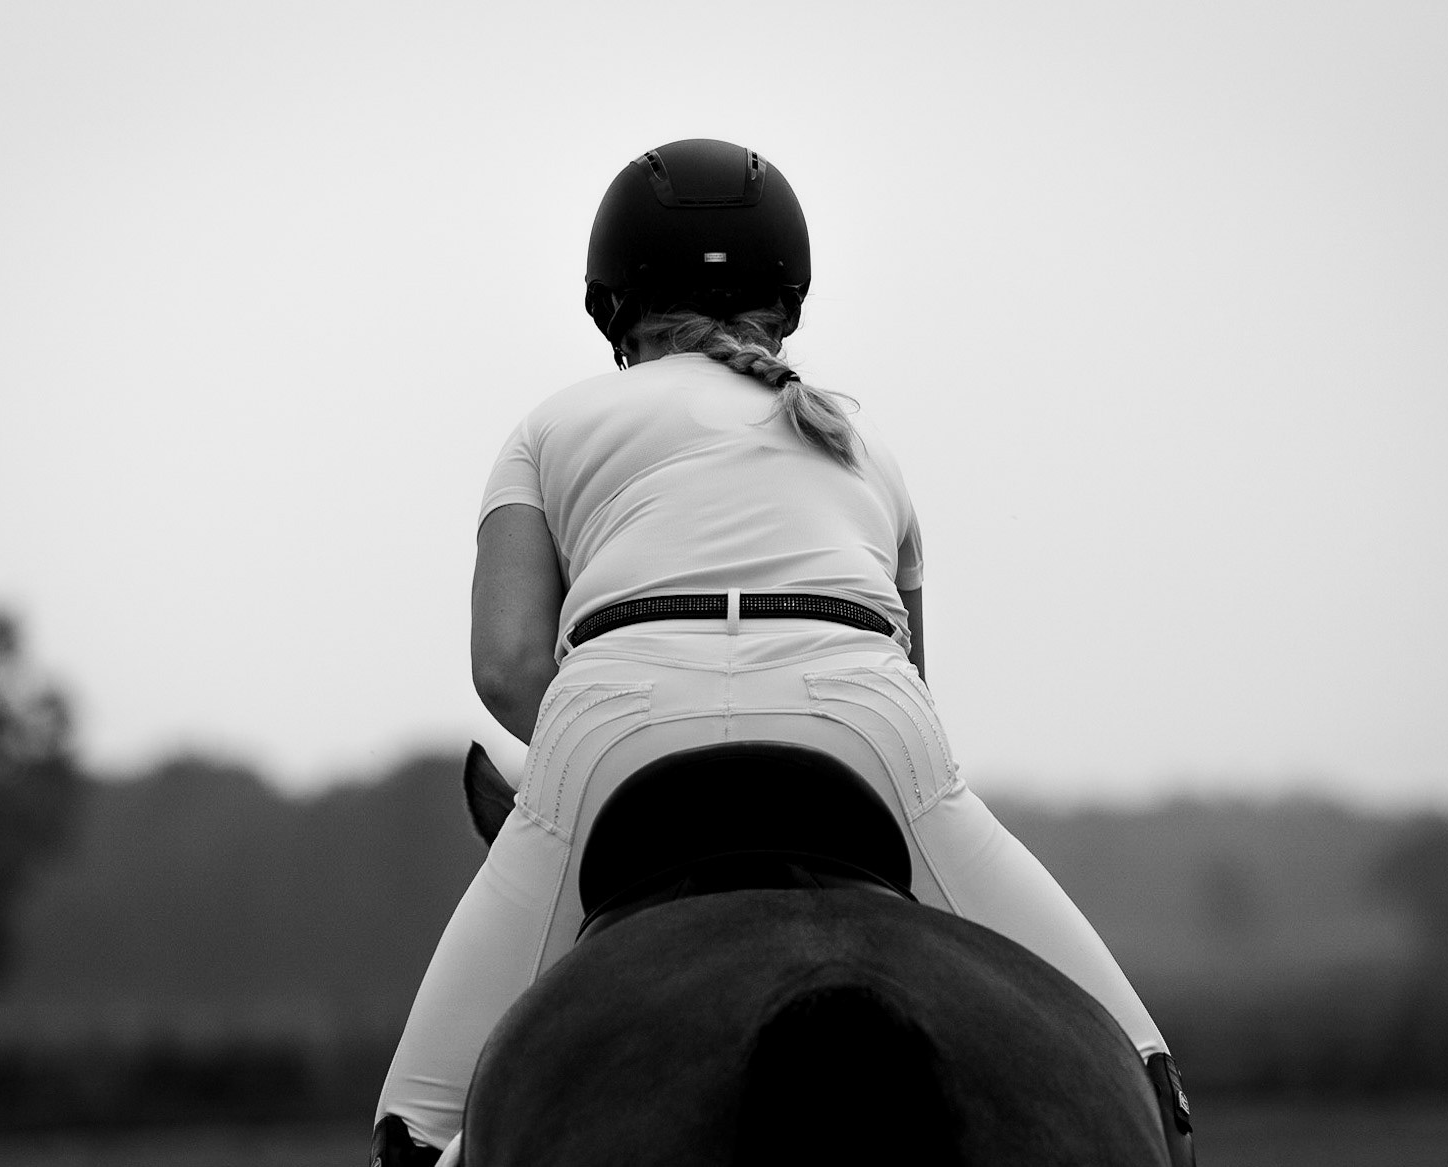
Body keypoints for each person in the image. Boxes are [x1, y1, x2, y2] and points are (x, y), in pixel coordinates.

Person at [373, 138, 1190, 1164]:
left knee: (418, 1129)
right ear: (787, 299)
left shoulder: (550, 425)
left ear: (611, 303)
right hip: (863, 724)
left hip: (616, 723)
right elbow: (916, 678)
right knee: (1141, 1079)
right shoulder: (858, 439)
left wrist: (609, 763)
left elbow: (505, 668)